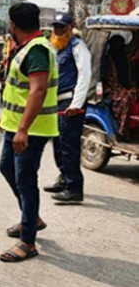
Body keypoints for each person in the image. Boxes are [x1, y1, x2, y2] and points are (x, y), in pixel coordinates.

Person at [0, 2, 59, 263]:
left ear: (13, 25)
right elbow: (18, 91)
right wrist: (6, 118)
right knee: (6, 167)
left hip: (31, 129)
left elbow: (38, 91)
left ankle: (28, 242)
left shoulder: (36, 51)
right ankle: (31, 219)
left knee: (25, 179)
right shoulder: (26, 48)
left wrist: (22, 129)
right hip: (17, 125)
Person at [44, 12, 90, 203]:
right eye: (56, 27)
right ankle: (64, 178)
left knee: (69, 147)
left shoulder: (78, 47)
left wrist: (75, 104)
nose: (58, 30)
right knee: (58, 144)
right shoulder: (57, 48)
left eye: (62, 27)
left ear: (70, 27)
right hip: (57, 102)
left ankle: (74, 188)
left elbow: (84, 76)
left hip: (70, 103)